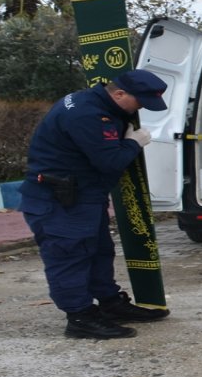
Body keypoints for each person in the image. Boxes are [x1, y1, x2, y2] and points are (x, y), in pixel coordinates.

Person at [18, 70, 172, 339]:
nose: (141, 108)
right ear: (119, 93)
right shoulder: (86, 114)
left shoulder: (93, 102)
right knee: (69, 256)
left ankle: (110, 304)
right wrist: (133, 144)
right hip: (59, 200)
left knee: (99, 251)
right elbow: (109, 161)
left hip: (81, 195)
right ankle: (80, 317)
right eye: (140, 102)